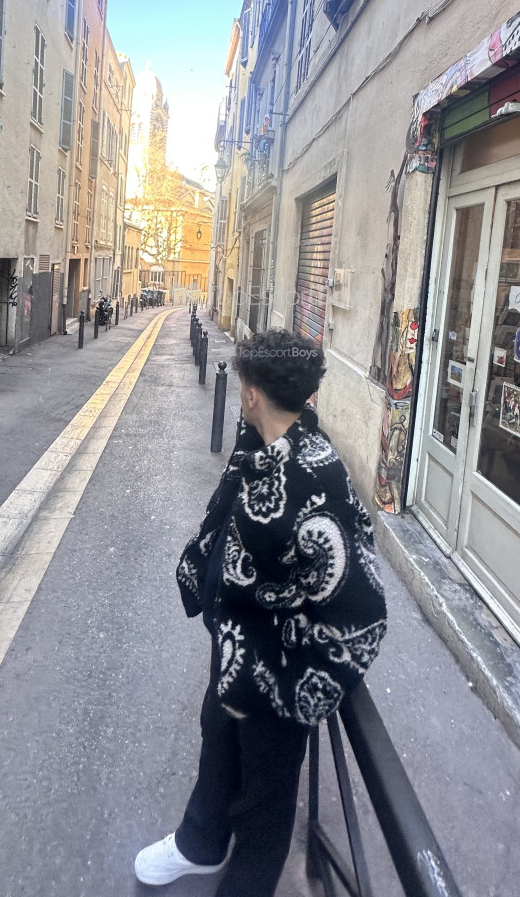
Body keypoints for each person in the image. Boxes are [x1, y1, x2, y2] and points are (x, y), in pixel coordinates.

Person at [134, 328, 388, 895]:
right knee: (216, 739)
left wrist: (297, 694)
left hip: (278, 681)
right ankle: (200, 843)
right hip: (236, 654)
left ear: (250, 393)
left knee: (265, 802)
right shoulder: (260, 443)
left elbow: (364, 612)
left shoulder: (316, 473)